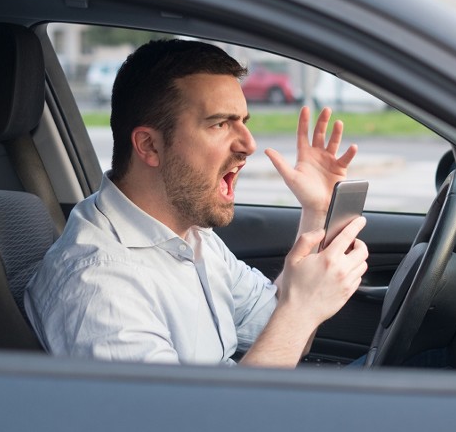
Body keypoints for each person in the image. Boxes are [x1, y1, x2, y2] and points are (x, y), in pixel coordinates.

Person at [24, 39, 369, 368]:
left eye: (243, 122)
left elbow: (280, 329)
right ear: (149, 146)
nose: (249, 144)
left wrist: (316, 212)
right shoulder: (99, 287)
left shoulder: (189, 235)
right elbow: (196, 429)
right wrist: (301, 310)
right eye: (220, 123)